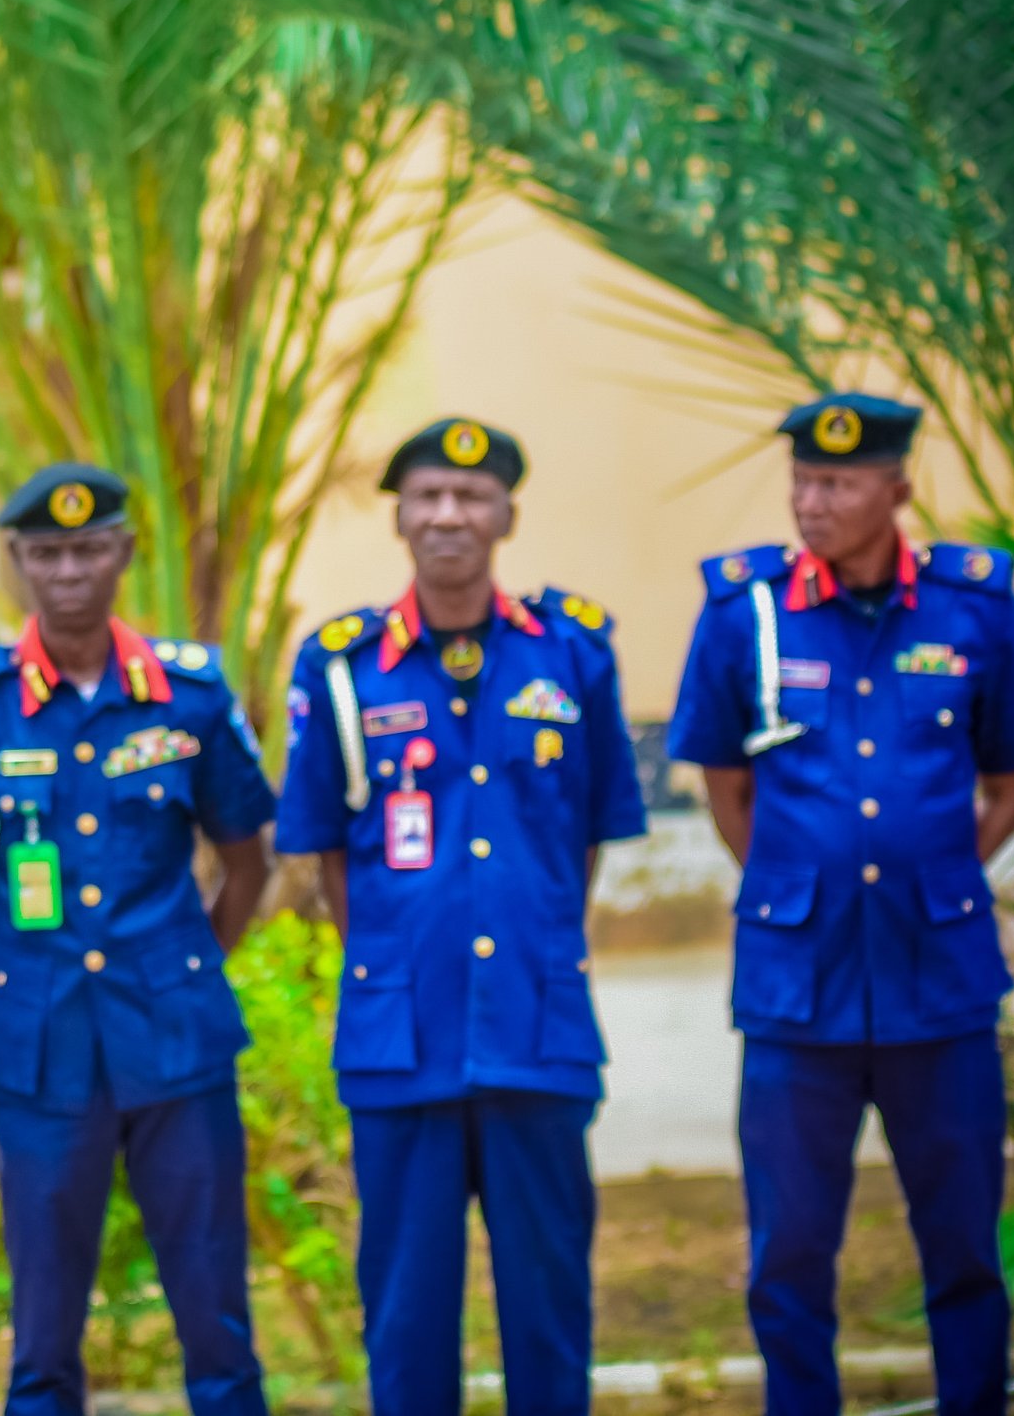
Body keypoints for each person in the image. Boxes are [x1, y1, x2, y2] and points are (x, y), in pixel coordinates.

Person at [667, 392, 1014, 1416]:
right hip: (796, 994)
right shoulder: (742, 609)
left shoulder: (972, 606)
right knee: (788, 1252)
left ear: (895, 489)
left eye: (834, 481)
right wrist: (798, 883)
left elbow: (1010, 777)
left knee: (961, 1246)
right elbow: (722, 784)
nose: (809, 500)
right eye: (799, 478)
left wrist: (935, 874)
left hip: (940, 990)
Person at [274, 418, 647, 1416]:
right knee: (404, 1313)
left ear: (505, 516)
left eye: (469, 497)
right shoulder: (339, 668)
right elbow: (322, 851)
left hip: (537, 1031)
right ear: (396, 516)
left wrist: (531, 939)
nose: (447, 515)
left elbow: (586, 834)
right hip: (402, 1042)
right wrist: (398, 960)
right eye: (427, 495)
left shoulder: (572, 654)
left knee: (546, 1307)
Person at [0, 462, 275, 1416]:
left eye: (90, 547)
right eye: (48, 552)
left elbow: (248, 862)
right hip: (40, 1057)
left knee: (217, 1314)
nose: (69, 570)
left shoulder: (188, 694)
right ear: (17, 558)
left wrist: (182, 967)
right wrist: (18, 980)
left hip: (178, 1044)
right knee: (44, 1333)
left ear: (126, 552)